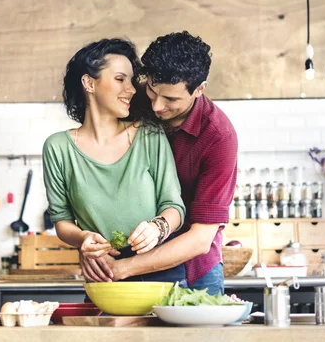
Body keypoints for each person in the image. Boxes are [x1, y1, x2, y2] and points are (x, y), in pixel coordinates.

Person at [83, 31, 238, 295]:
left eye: (171, 100)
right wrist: (87, 245)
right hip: (120, 257)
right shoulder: (132, 99)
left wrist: (123, 269)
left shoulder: (218, 137)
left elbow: (200, 239)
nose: (156, 106)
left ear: (199, 89)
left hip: (192, 270)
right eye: (153, 91)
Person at [42, 38, 187, 284]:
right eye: (120, 79)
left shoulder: (149, 134)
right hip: (103, 274)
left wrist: (157, 227)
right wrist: (83, 239)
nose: (131, 89)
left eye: (132, 81)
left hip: (159, 271)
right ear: (89, 83)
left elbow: (174, 206)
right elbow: (62, 221)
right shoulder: (58, 148)